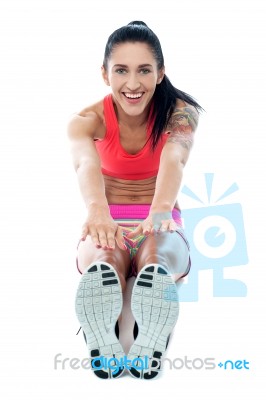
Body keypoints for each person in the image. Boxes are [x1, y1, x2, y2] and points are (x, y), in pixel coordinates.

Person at [68, 21, 203, 380]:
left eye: (144, 70)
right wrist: (98, 211)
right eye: (121, 70)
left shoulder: (182, 113)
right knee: (105, 257)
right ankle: (106, 308)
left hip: (160, 217)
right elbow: (85, 163)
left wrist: (160, 210)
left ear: (160, 73)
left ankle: (147, 294)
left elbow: (174, 158)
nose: (132, 84)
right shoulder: (85, 121)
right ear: (104, 74)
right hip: (107, 221)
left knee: (155, 257)